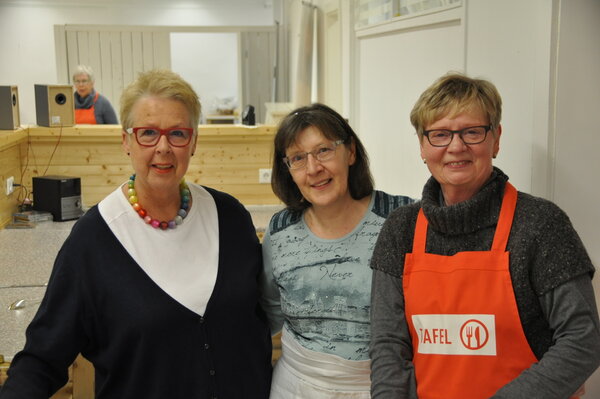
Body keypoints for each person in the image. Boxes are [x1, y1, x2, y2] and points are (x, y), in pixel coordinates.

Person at [0, 69, 272, 398]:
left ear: (194, 142)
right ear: (126, 141)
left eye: (178, 134)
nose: (163, 147)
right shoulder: (92, 242)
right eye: (147, 133)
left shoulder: (230, 217)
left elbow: (262, 317)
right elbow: (42, 358)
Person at [369, 73, 600, 399]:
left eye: (472, 132)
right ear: (422, 145)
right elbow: (388, 343)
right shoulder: (400, 228)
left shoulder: (541, 225)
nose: (456, 146)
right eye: (439, 134)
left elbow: (582, 339)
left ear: (496, 138)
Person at [259, 103, 413, 398]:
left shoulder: (399, 218)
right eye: (298, 158)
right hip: (295, 386)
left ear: (351, 152)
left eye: (324, 150)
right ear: (288, 170)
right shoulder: (280, 230)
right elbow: (269, 310)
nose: (314, 168)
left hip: (378, 386)